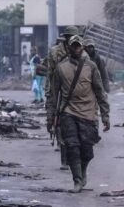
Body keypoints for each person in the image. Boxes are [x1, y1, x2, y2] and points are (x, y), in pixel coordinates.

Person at [47, 36, 110, 193]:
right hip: (68, 112)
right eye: (73, 46)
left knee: (87, 150)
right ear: (69, 48)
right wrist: (51, 118)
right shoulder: (61, 69)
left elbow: (100, 92)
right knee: (72, 146)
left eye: (78, 46)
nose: (76, 49)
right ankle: (77, 179)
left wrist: (105, 115)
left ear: (82, 48)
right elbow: (54, 95)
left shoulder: (91, 67)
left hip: (88, 113)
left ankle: (82, 172)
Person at [45, 26, 80, 170]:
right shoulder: (55, 52)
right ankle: (65, 159)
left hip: (77, 92)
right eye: (69, 37)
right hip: (59, 91)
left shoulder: (81, 52)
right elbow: (50, 73)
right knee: (59, 124)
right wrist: (50, 93)